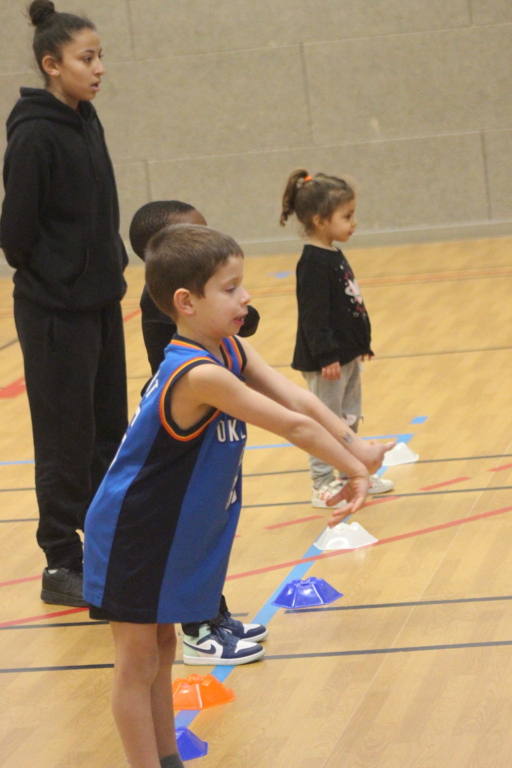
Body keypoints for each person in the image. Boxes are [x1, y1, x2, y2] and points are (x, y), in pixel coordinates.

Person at [83, 223, 393, 768]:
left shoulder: (229, 347)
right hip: (132, 531)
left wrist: (359, 448)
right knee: (137, 662)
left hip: (162, 532)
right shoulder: (198, 374)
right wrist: (352, 468)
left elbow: (301, 401)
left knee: (162, 650)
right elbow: (293, 426)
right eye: (229, 288)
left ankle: (166, 759)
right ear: (186, 302)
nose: (245, 296)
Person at [0, 0, 128, 607]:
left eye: (100, 56)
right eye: (86, 58)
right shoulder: (34, 134)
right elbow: (15, 236)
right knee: (64, 440)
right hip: (55, 311)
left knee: (108, 432)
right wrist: (61, 277)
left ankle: (103, 547)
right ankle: (60, 561)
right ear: (52, 65)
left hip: (100, 302)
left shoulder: (86, 118)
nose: (99, 68)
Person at [128, 200, 267, 666]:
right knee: (188, 533)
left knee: (210, 525)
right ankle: (198, 629)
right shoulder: (167, 309)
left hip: (204, 415)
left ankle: (212, 613)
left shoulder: (199, 305)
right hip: (184, 425)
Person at [280, 169, 395, 509]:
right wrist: (326, 355)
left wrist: (361, 345)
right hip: (327, 362)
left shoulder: (332, 253)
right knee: (325, 421)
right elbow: (313, 316)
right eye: (347, 216)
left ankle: (349, 473)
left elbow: (348, 305)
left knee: (348, 417)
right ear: (320, 220)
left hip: (347, 356)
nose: (353, 222)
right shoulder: (313, 262)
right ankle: (322, 483)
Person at [129, 200, 261, 376]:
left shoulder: (180, 285)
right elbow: (247, 323)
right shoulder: (167, 295)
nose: (208, 242)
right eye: (194, 237)